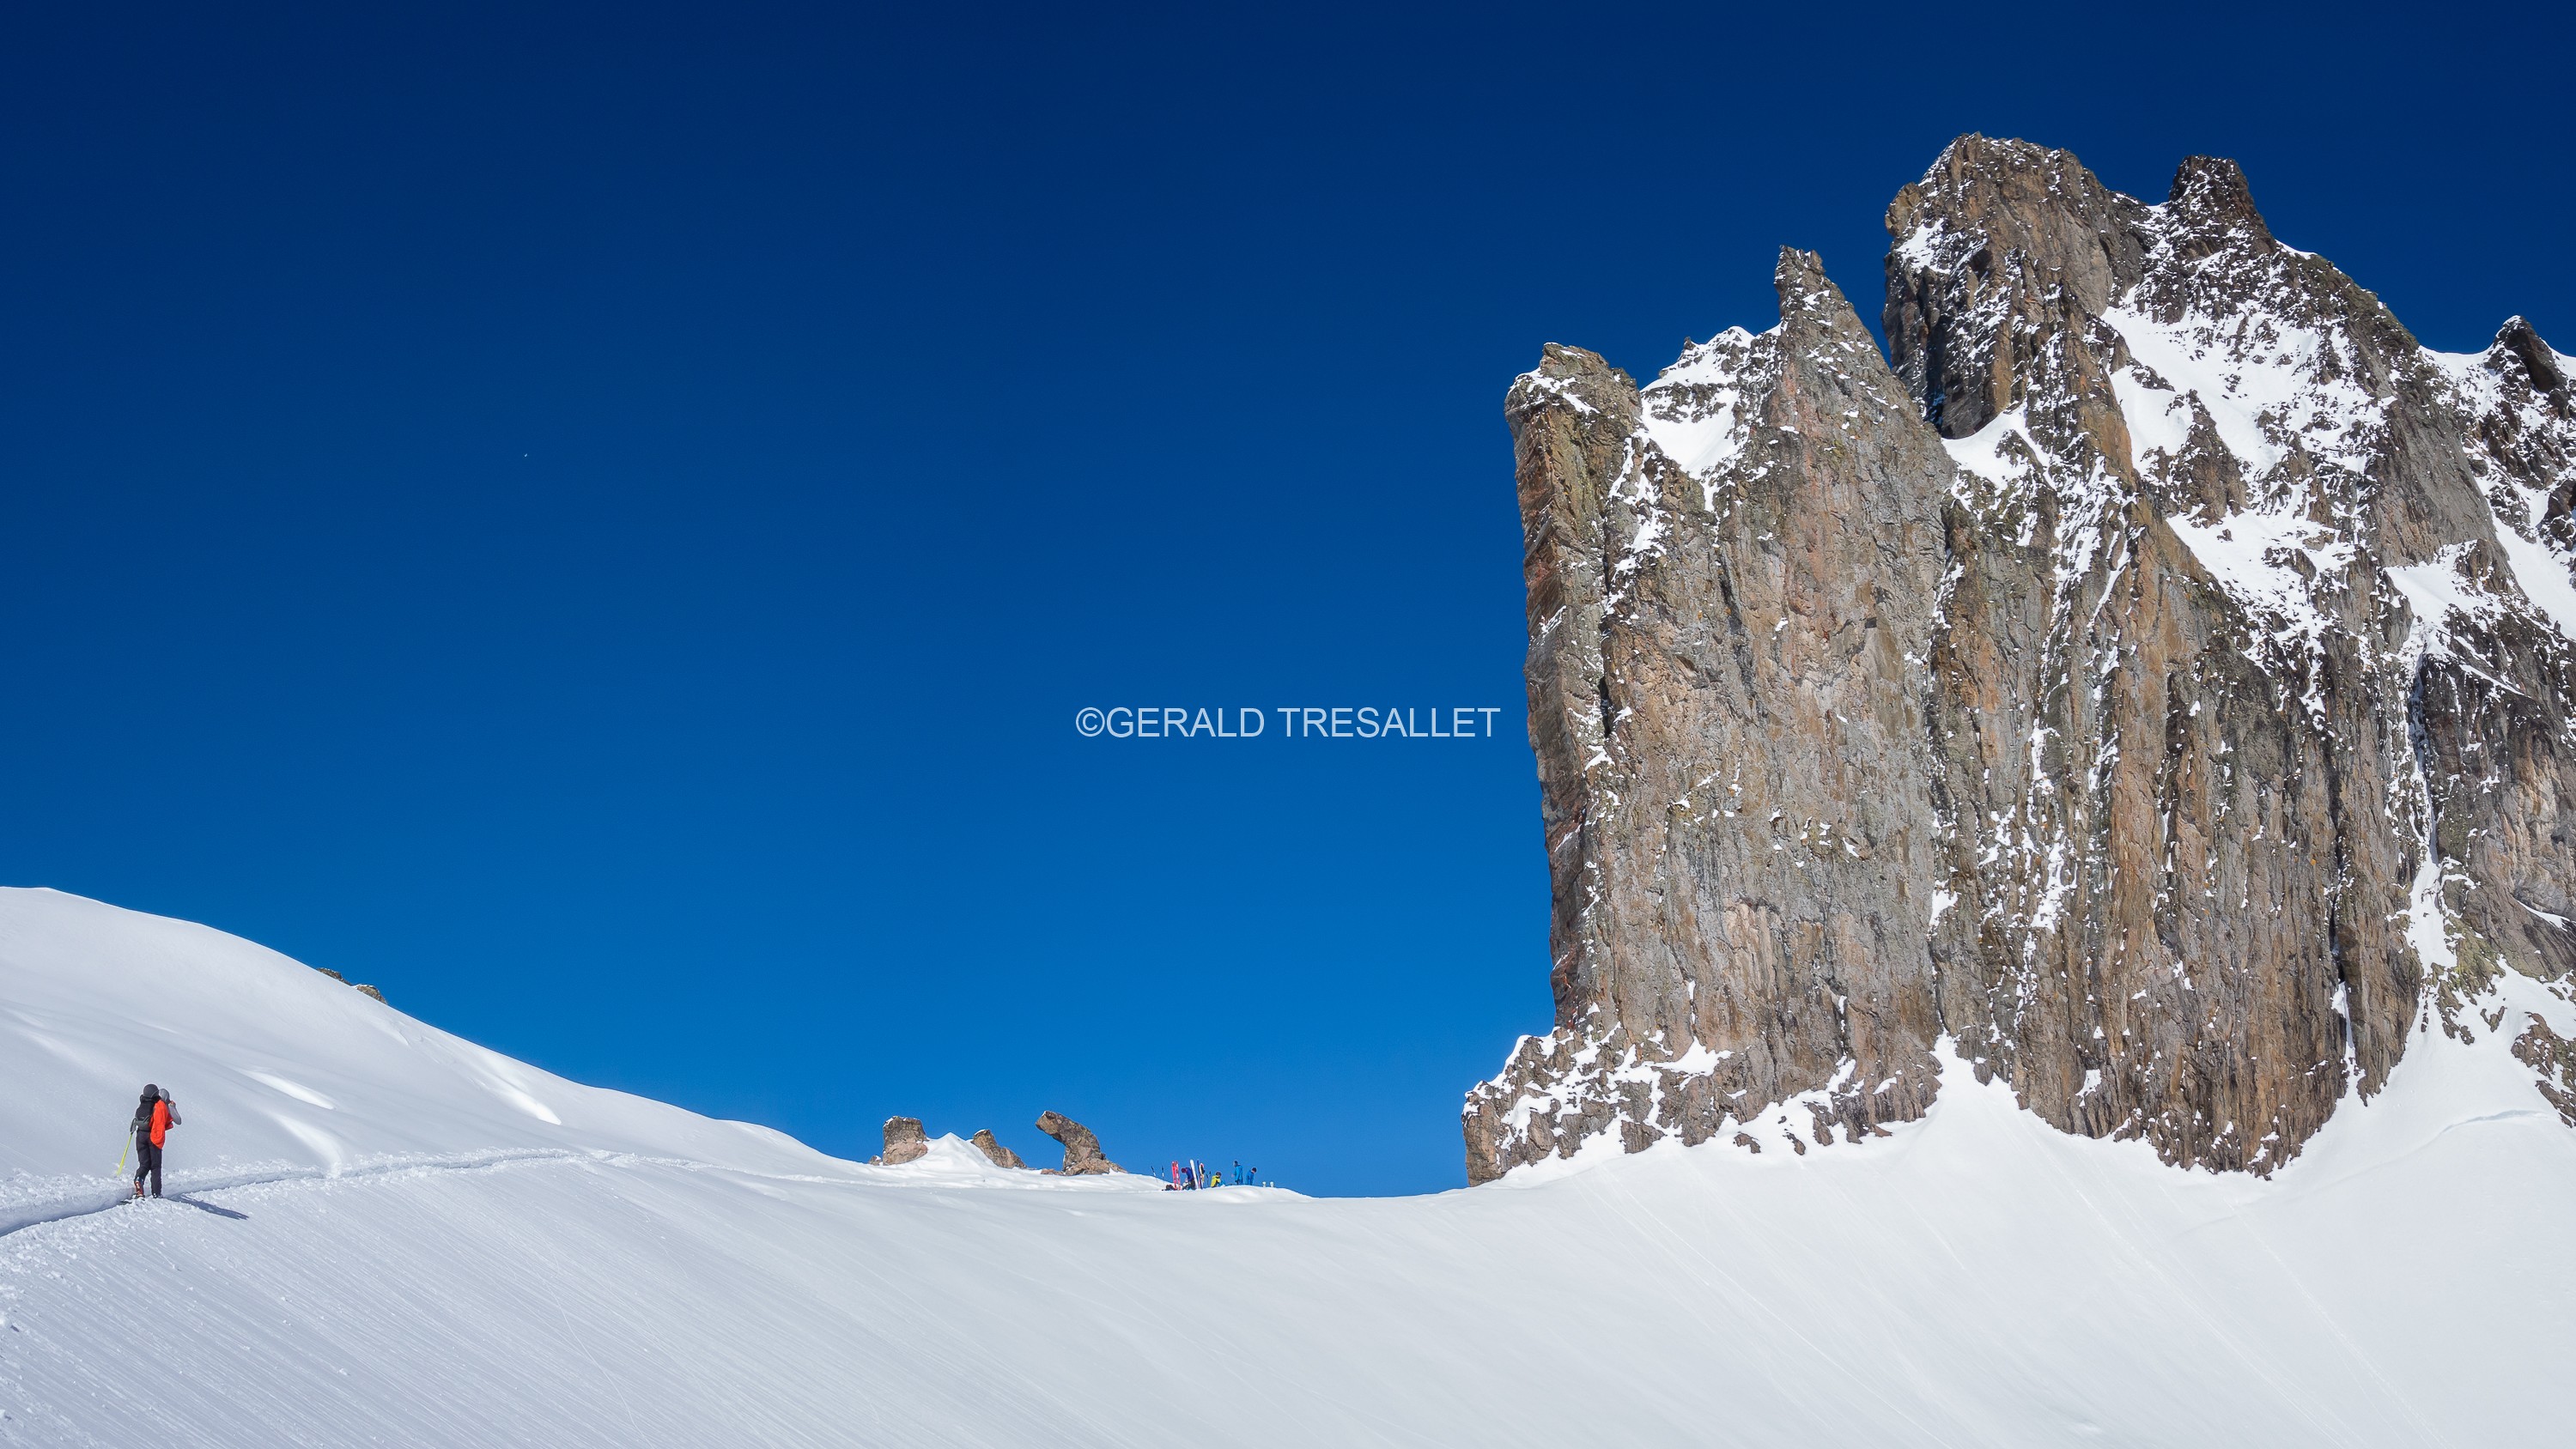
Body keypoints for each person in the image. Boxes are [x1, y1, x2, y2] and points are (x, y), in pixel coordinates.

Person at [130, 1084, 179, 1198]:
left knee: (144, 1164)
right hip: (153, 1137)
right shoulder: (160, 1105)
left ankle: (139, 1180)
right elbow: (162, 1123)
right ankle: (156, 1193)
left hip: (140, 1135)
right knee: (156, 1167)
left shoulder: (143, 1104)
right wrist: (158, 1141)